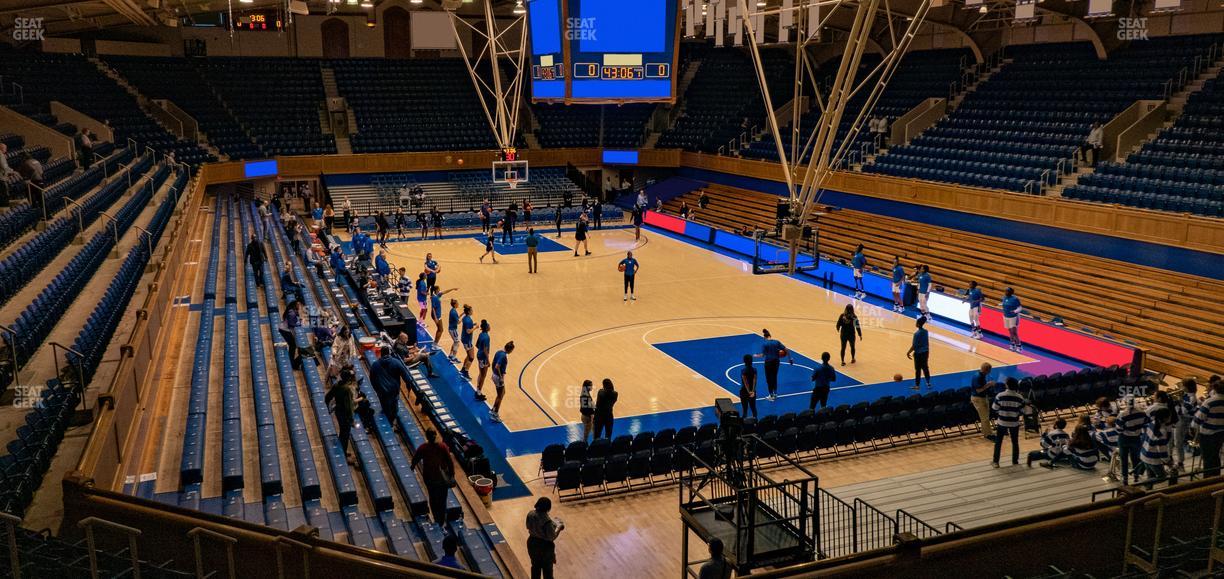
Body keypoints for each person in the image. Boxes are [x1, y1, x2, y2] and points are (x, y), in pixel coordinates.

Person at [412, 428, 456, 525]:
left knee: (433, 498)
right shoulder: (442, 446)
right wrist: (452, 474)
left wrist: (412, 467)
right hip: (442, 478)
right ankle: (441, 520)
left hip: (429, 478)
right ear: (436, 435)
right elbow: (450, 462)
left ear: (426, 437)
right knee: (442, 499)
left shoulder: (423, 448)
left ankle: (437, 519)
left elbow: (415, 459)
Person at [370, 345, 412, 428]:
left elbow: (372, 379)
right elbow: (406, 376)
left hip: (382, 391)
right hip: (394, 390)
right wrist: (408, 386)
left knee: (385, 407)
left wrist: (377, 389)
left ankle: (388, 424)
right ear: (389, 353)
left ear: (381, 354)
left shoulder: (375, 365)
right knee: (394, 406)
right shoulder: (396, 362)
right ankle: (392, 423)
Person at [991, 377, 1026, 468]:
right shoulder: (1020, 397)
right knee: (1015, 442)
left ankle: (996, 462)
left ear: (1007, 385)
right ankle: (1015, 461)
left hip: (1002, 422)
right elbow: (1023, 411)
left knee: (998, 442)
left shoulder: (1000, 395)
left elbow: (994, 408)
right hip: (1014, 423)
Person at [325, 368, 357, 464]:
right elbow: (349, 406)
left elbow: (327, 397)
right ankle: (343, 454)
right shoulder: (347, 389)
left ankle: (342, 450)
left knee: (343, 432)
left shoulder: (336, 385)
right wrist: (351, 420)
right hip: (344, 413)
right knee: (345, 433)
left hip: (338, 411)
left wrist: (328, 406)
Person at [525, 497, 563, 579]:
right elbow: (552, 537)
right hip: (544, 547)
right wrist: (559, 528)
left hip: (532, 543)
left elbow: (528, 526)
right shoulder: (547, 521)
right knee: (547, 571)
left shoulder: (530, 514)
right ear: (548, 507)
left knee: (535, 567)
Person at [1194, 378, 1224, 477]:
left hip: (1207, 434)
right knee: (1215, 457)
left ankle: (1207, 483)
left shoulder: (1210, 401)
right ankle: (1216, 479)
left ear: (1215, 389)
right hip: (1220, 433)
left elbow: (1198, 419)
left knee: (1207, 460)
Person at [1116, 395, 1148, 485]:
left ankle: (1125, 479)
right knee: (1135, 459)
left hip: (1124, 438)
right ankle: (1136, 477)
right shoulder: (1142, 413)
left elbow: (1119, 429)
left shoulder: (1122, 414)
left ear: (1125, 403)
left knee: (1124, 459)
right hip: (1136, 438)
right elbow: (1145, 424)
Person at [1138, 407, 1173, 480]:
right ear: (1164, 418)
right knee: (1162, 477)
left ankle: (1148, 490)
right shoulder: (1162, 431)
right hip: (1152, 458)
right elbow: (1161, 449)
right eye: (1169, 416)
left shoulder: (1152, 423)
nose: (1170, 418)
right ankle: (1145, 484)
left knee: (1150, 476)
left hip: (1144, 454)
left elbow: (1143, 436)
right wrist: (1167, 461)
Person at [755, 329, 790, 401]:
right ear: (770, 336)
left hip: (768, 363)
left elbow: (762, 355)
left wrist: (756, 355)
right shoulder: (777, 342)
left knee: (768, 379)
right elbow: (786, 349)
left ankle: (771, 395)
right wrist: (790, 358)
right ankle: (775, 394)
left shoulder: (765, 344)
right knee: (774, 377)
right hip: (776, 362)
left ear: (764, 337)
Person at [1174, 378, 1199, 471]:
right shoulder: (1185, 395)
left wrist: (1180, 402)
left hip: (1184, 420)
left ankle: (1180, 463)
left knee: (1178, 442)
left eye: (1183, 385)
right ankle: (1177, 461)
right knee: (1175, 442)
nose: (1181, 387)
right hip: (1179, 419)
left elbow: (1183, 412)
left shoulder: (1192, 398)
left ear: (1187, 387)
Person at [488, 341, 515, 423]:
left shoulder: (499, 352)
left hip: (494, 375)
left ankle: (493, 409)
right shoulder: (503, 356)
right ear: (509, 349)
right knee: (500, 395)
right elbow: (497, 366)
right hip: (497, 377)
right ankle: (495, 414)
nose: (512, 352)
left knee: (502, 393)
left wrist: (494, 374)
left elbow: (493, 364)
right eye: (512, 350)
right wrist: (500, 377)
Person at [905, 317, 932, 391]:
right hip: (926, 352)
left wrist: (908, 352)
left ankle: (917, 385)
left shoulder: (916, 334)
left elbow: (914, 346)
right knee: (925, 368)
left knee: (918, 370)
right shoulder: (926, 331)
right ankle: (928, 383)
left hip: (918, 354)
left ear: (918, 324)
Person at [970, 363, 995, 439]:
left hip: (982, 397)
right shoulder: (978, 377)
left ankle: (986, 432)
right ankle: (988, 434)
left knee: (986, 416)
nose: (990, 371)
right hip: (978, 398)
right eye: (990, 370)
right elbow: (978, 390)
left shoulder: (981, 375)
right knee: (985, 417)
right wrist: (989, 384)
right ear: (986, 370)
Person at [279, 301, 303, 370]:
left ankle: (291, 361)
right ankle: (291, 363)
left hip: (284, 329)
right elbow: (291, 324)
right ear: (295, 305)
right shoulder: (292, 313)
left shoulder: (292, 311)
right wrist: (299, 323)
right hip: (285, 330)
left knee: (292, 345)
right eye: (298, 305)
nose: (299, 306)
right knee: (293, 346)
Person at [1000, 287, 1023, 351]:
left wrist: (1015, 311)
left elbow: (1020, 308)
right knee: (1010, 332)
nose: (1006, 292)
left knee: (1014, 332)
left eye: (1007, 291)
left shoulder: (1015, 299)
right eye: (1005, 291)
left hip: (1013, 317)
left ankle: (1019, 346)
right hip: (1005, 316)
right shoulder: (1004, 297)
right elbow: (1004, 304)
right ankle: (1012, 344)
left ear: (1011, 292)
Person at [474, 320, 492, 400]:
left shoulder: (481, 334)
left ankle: (478, 389)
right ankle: (478, 392)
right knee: (483, 375)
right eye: (489, 326)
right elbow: (485, 350)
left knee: (481, 373)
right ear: (487, 328)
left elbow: (477, 345)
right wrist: (488, 360)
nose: (490, 326)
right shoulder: (487, 337)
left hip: (479, 354)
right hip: (483, 358)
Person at [738, 354, 758, 419]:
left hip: (744, 391)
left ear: (744, 361)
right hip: (753, 392)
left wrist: (749, 391)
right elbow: (754, 380)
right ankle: (755, 421)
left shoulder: (743, 371)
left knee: (745, 409)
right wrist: (753, 391)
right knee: (753, 408)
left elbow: (745, 382)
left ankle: (744, 423)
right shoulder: (754, 370)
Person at [460, 305, 477, 379]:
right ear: (469, 311)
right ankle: (465, 372)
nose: (472, 311)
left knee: (468, 355)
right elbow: (468, 331)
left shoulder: (465, 318)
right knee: (471, 357)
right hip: (467, 340)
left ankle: (463, 369)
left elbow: (467, 327)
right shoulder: (468, 320)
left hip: (465, 339)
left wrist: (473, 325)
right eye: (471, 310)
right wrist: (475, 328)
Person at [447, 298, 462, 363]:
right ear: (455, 304)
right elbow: (458, 322)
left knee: (455, 342)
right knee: (457, 342)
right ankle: (453, 358)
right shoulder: (454, 312)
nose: (458, 304)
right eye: (457, 303)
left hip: (451, 328)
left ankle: (450, 355)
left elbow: (457, 318)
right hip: (453, 329)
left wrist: (463, 314)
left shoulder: (453, 310)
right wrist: (463, 318)